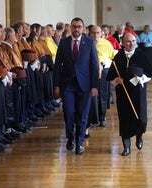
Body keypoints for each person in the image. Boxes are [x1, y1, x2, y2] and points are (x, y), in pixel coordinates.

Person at [53, 17, 99, 154]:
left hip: (85, 85)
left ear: (83, 29)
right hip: (68, 85)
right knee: (69, 113)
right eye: (74, 26)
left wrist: (94, 86)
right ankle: (70, 137)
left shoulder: (89, 43)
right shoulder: (64, 43)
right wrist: (56, 85)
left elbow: (94, 65)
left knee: (83, 115)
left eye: (79, 27)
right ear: (70, 28)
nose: (76, 29)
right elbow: (57, 66)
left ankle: (79, 143)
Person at [106, 33, 152, 156]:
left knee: (141, 119)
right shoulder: (118, 57)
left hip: (138, 92)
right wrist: (115, 80)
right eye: (128, 41)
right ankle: (126, 147)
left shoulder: (141, 55)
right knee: (125, 119)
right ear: (122, 43)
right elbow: (111, 77)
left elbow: (150, 73)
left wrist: (142, 78)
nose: (131, 43)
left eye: (133, 41)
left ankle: (139, 136)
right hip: (123, 93)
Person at [90, 25, 115, 127]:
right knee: (92, 95)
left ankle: (102, 117)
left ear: (101, 34)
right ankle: (92, 118)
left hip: (103, 71)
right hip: (90, 72)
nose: (96, 35)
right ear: (90, 33)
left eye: (98, 33)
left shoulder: (106, 43)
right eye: (94, 33)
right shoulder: (87, 43)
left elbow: (112, 57)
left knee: (103, 95)